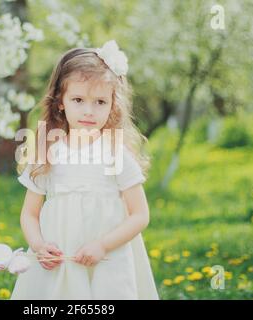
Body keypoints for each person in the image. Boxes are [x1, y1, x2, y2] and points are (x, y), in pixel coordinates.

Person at [10, 40, 159, 300]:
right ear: (61, 102)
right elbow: (29, 214)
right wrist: (38, 245)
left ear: (113, 105)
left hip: (106, 261)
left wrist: (103, 245)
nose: (89, 111)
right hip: (59, 263)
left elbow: (139, 215)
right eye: (78, 99)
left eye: (100, 102)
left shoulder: (115, 153)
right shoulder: (48, 153)